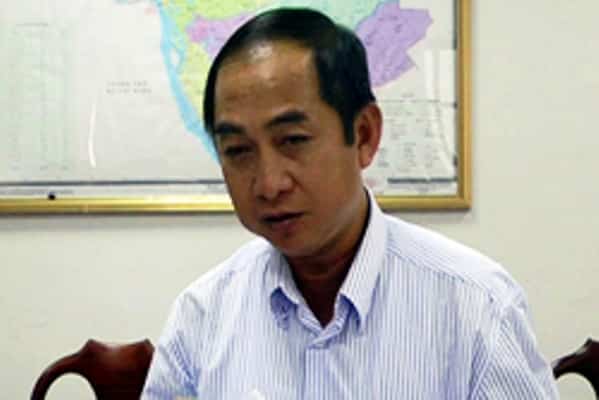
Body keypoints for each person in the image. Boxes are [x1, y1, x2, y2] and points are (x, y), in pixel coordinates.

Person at [142, 8, 559, 399]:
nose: (269, 184)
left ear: (363, 135)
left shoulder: (476, 306)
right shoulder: (203, 316)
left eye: (293, 140)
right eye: (237, 150)